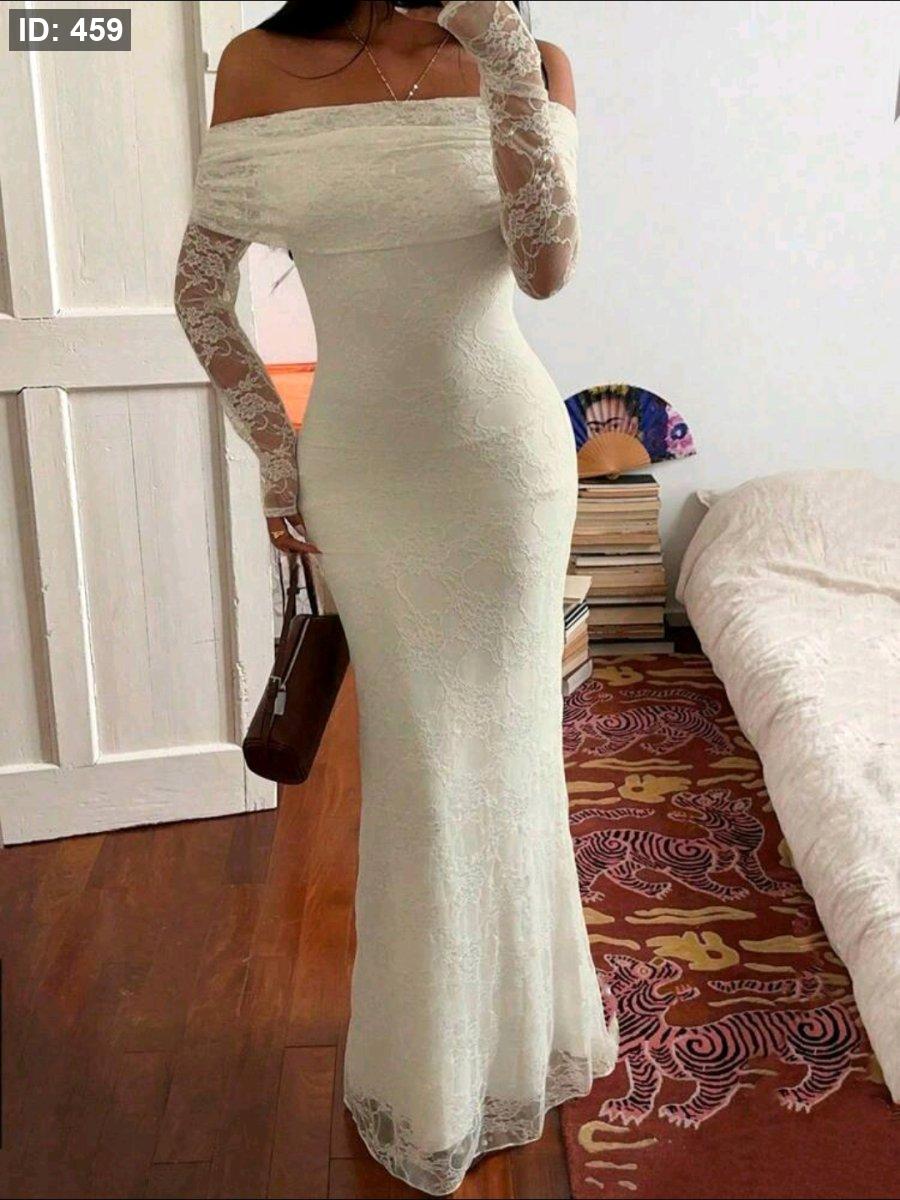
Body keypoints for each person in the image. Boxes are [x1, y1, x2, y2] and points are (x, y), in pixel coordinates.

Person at [173, 2, 617, 1192]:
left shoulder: (531, 60)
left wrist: (505, 59)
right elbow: (200, 293)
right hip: (365, 473)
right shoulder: (258, 65)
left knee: (515, 757)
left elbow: (548, 268)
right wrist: (278, 454)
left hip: (506, 468)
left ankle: (526, 1044)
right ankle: (430, 1077)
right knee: (422, 773)